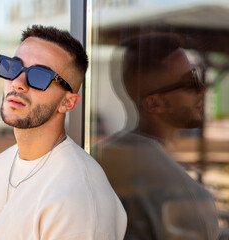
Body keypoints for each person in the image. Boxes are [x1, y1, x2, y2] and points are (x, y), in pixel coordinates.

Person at [0, 25, 127, 240]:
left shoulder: (78, 201)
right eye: (14, 67)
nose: (18, 83)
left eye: (40, 76)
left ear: (67, 102)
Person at [94, 33, 220, 239]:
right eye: (190, 82)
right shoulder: (189, 196)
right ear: (154, 103)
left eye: (197, 76)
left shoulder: (101, 157)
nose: (203, 89)